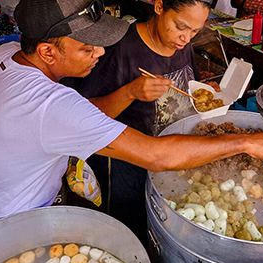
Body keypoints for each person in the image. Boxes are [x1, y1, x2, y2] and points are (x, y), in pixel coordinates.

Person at [0, 0, 263, 233]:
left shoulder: (2, 55)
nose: (100, 53)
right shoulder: (53, 105)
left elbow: (78, 119)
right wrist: (244, 142)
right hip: (15, 225)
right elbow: (156, 156)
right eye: (87, 48)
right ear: (48, 52)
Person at [67, 0, 224, 237]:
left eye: (195, 31)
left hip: (174, 161)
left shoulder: (182, 44)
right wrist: (131, 92)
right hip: (128, 170)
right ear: (160, 6)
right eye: (181, 27)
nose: (187, 38)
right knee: (130, 229)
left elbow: (187, 88)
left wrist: (205, 90)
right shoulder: (121, 48)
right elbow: (87, 117)